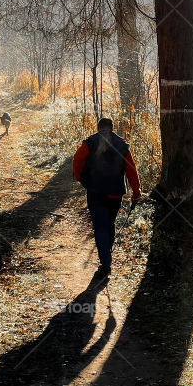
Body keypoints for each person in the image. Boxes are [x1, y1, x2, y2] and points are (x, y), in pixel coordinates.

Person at [72, 117, 141, 279]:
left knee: (100, 226)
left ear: (98, 128)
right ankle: (106, 254)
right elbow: (131, 169)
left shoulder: (89, 143)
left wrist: (81, 178)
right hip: (115, 192)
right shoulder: (122, 145)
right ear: (112, 128)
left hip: (95, 191)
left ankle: (105, 262)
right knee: (109, 223)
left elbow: (77, 160)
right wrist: (136, 191)